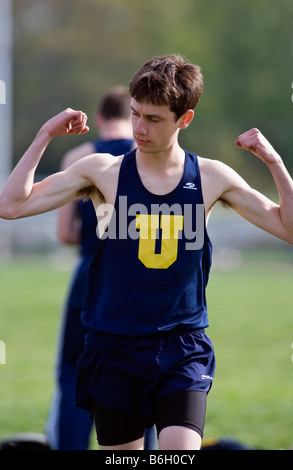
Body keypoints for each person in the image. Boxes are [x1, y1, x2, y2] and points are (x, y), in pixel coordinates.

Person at [0, 54, 293, 451]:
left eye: (154, 119)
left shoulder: (210, 177)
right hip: (114, 346)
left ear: (184, 119)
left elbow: (292, 229)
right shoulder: (103, 171)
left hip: (183, 346)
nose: (139, 128)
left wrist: (273, 161)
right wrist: (45, 135)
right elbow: (11, 205)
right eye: (135, 114)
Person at [45, 87, 140, 450]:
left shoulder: (79, 155)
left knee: (73, 370)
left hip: (89, 273)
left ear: (99, 118)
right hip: (138, 277)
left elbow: (65, 234)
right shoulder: (147, 156)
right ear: (135, 117)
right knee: (140, 375)